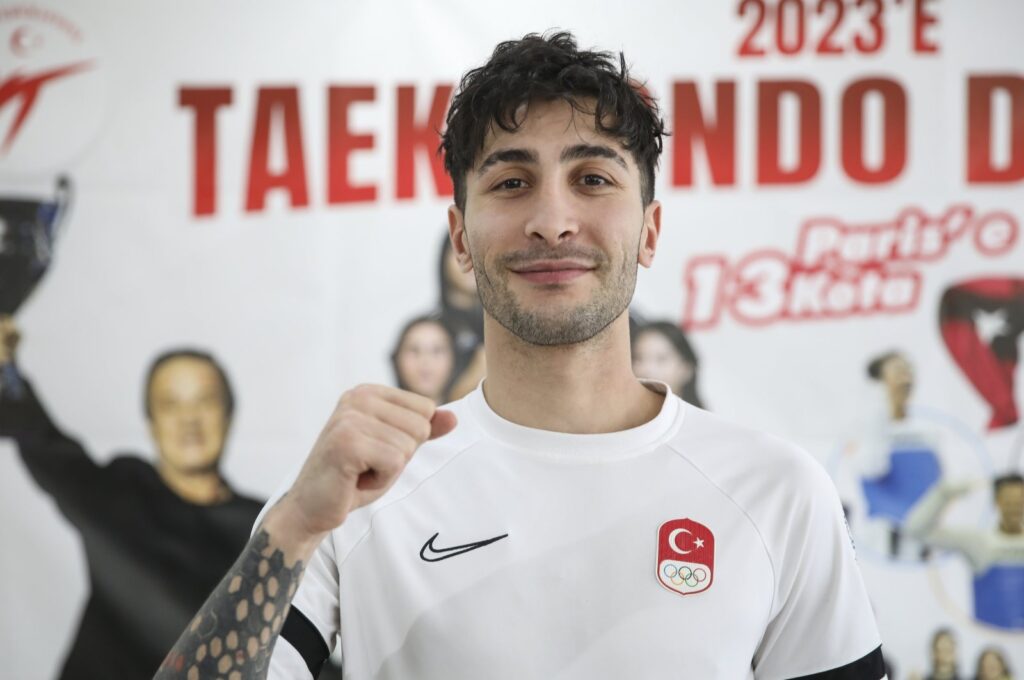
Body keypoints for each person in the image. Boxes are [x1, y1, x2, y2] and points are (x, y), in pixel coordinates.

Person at [156, 32, 885, 679]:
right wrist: (292, 529)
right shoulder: (356, 493)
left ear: (651, 231)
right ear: (462, 238)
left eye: (592, 179)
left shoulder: (776, 490)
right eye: (511, 183)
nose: (551, 221)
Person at [0, 315, 264, 679]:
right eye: (171, 404)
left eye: (204, 401)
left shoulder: (264, 529)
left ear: (229, 414)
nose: (189, 418)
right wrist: (4, 368)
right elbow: (43, 443)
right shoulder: (121, 495)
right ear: (150, 422)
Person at [905, 474, 1024, 630]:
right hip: (989, 639)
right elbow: (916, 530)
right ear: (997, 501)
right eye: (1008, 501)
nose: (1014, 507)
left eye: (1019, 501)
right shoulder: (979, 541)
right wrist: (943, 493)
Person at [858, 350, 941, 559]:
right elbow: (872, 469)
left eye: (908, 371)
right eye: (897, 371)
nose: (905, 377)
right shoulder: (871, 422)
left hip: (924, 526)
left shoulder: (926, 424)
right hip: (887, 528)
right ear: (881, 381)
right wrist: (889, 414)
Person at [437, 233, 487, 400]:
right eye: (461, 252)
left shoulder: (506, 327)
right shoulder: (429, 330)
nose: (470, 262)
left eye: (478, 252)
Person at [630, 320, 705, 408]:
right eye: (638, 358)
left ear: (686, 368)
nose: (646, 369)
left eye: (661, 359)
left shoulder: (702, 420)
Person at [390, 315, 456, 404]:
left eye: (437, 350)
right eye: (414, 350)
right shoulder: (376, 416)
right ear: (397, 358)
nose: (425, 360)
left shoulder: (470, 415)